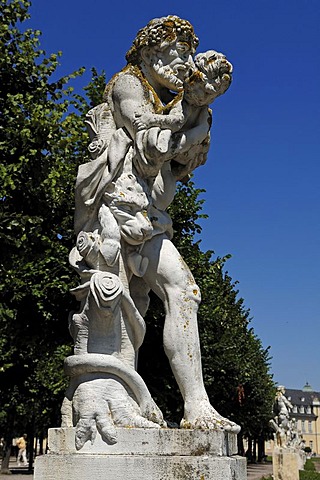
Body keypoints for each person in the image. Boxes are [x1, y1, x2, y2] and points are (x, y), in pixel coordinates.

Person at [70, 15, 239, 441]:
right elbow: (149, 140)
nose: (182, 61)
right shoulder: (128, 84)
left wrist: (199, 109)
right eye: (174, 52)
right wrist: (195, 111)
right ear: (148, 52)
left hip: (147, 216)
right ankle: (113, 395)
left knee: (184, 290)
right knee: (118, 306)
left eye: (187, 54)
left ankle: (196, 404)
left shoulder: (169, 100)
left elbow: (181, 162)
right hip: (115, 212)